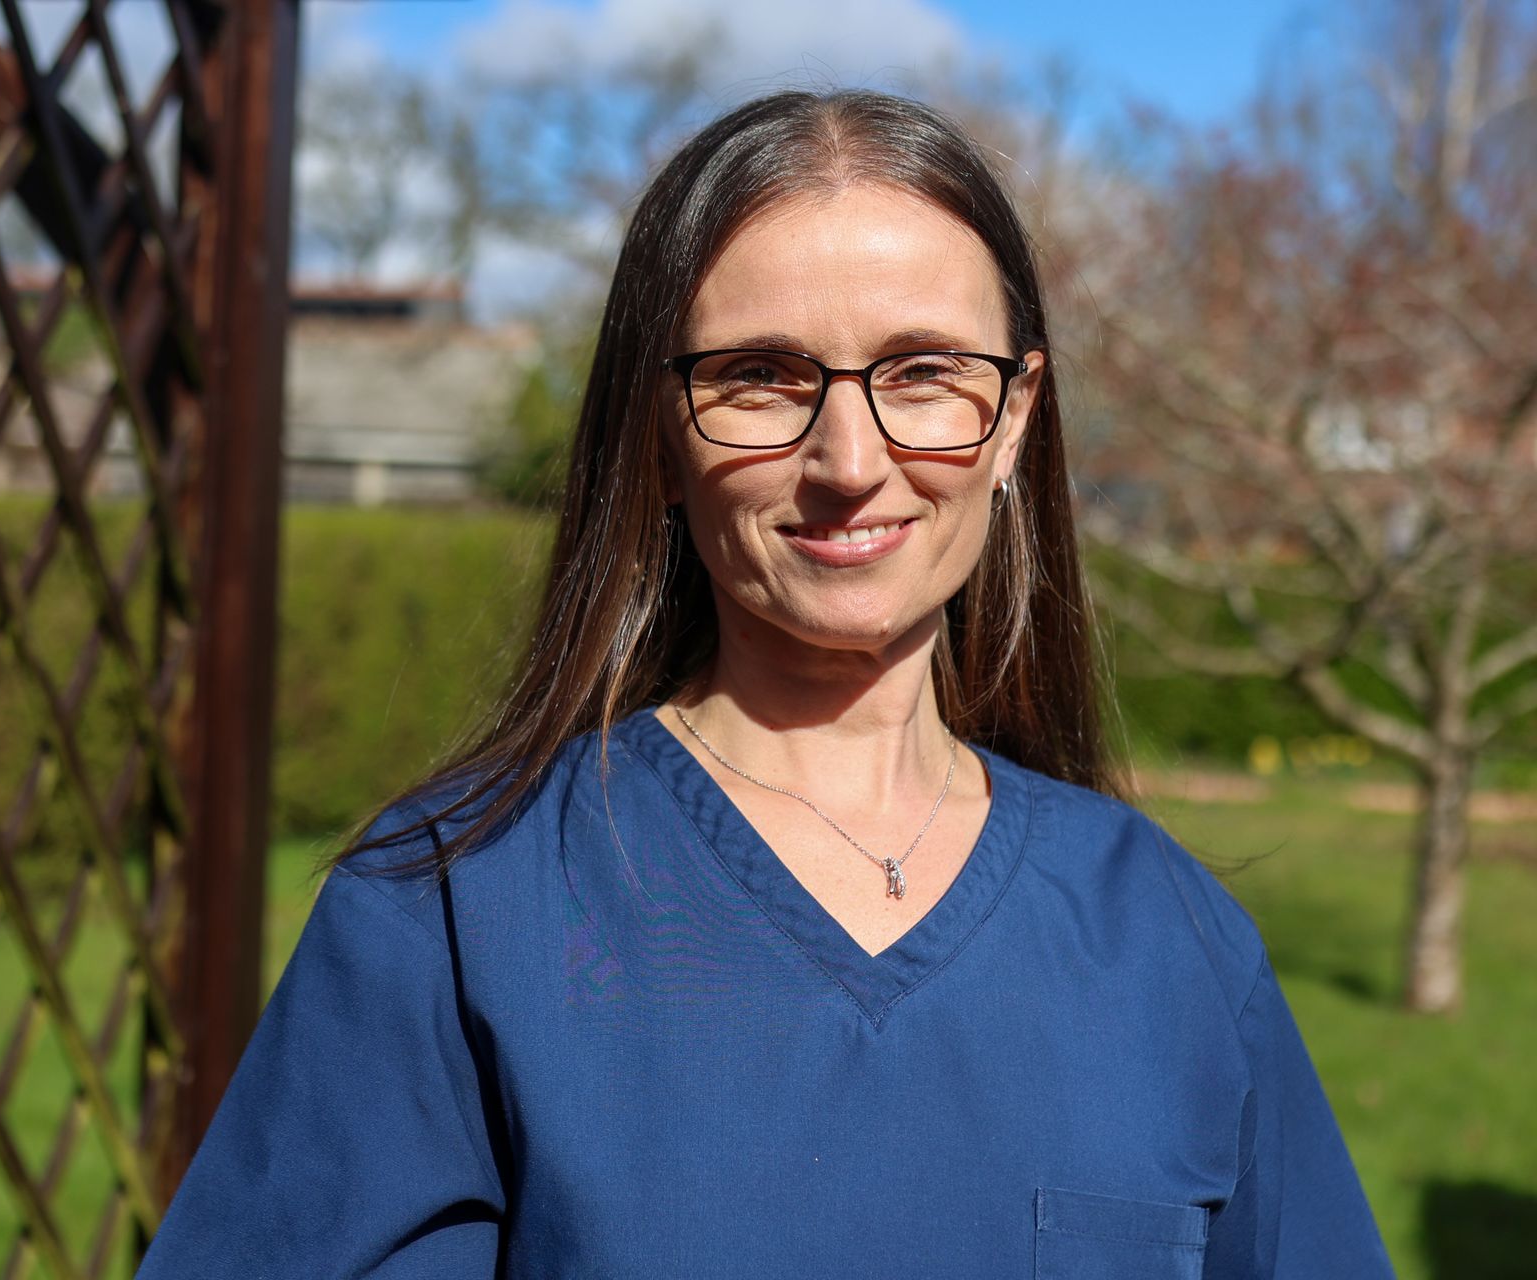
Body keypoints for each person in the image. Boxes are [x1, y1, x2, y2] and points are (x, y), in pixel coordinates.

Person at [137, 89, 1394, 1278]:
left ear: (1014, 419)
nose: (850, 460)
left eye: (924, 373)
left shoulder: (1169, 943)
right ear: (660, 438)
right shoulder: (457, 914)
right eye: (761, 377)